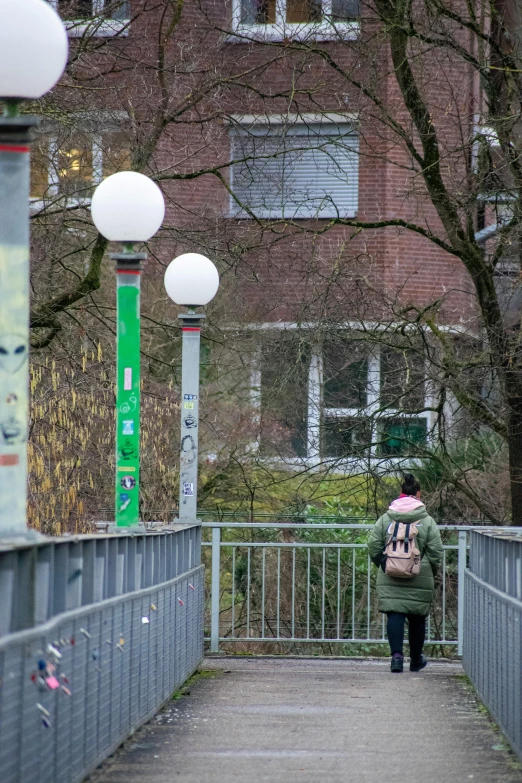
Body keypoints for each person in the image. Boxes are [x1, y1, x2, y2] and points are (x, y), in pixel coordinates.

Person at [368, 473, 443, 673]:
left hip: (390, 572)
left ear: (401, 494)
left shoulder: (386, 518)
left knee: (395, 613)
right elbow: (436, 552)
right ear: (418, 495)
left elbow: (373, 546)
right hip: (420, 573)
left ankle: (396, 658)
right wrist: (428, 570)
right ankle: (416, 659)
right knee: (417, 617)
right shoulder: (427, 521)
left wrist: (384, 565)